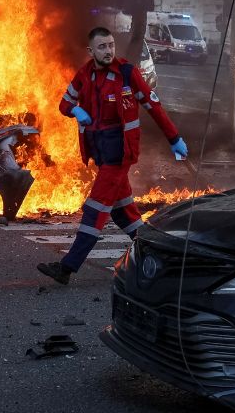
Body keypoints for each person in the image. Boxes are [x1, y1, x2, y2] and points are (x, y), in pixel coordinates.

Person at [38, 27, 188, 285]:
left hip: (121, 154)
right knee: (123, 211)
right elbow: (63, 104)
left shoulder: (128, 74)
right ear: (91, 51)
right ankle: (162, 257)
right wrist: (75, 111)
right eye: (102, 47)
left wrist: (174, 138)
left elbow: (154, 107)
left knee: (95, 208)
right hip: (101, 154)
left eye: (110, 45)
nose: (108, 51)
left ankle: (67, 267)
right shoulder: (84, 75)